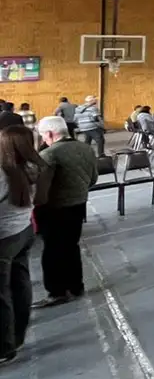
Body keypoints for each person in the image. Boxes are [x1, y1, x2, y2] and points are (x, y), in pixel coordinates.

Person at [32, 116, 97, 308]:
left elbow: (41, 190)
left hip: (54, 209)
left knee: (52, 251)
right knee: (71, 246)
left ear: (50, 134)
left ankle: (56, 291)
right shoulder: (85, 148)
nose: (43, 139)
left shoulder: (49, 155)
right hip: (78, 205)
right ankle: (76, 286)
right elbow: (93, 178)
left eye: (43, 135)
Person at [0, 126, 44, 365]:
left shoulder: (4, 173)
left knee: (2, 294)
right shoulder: (31, 167)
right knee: (20, 284)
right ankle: (16, 336)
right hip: (23, 230)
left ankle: (4, 347)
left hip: (4, 237)